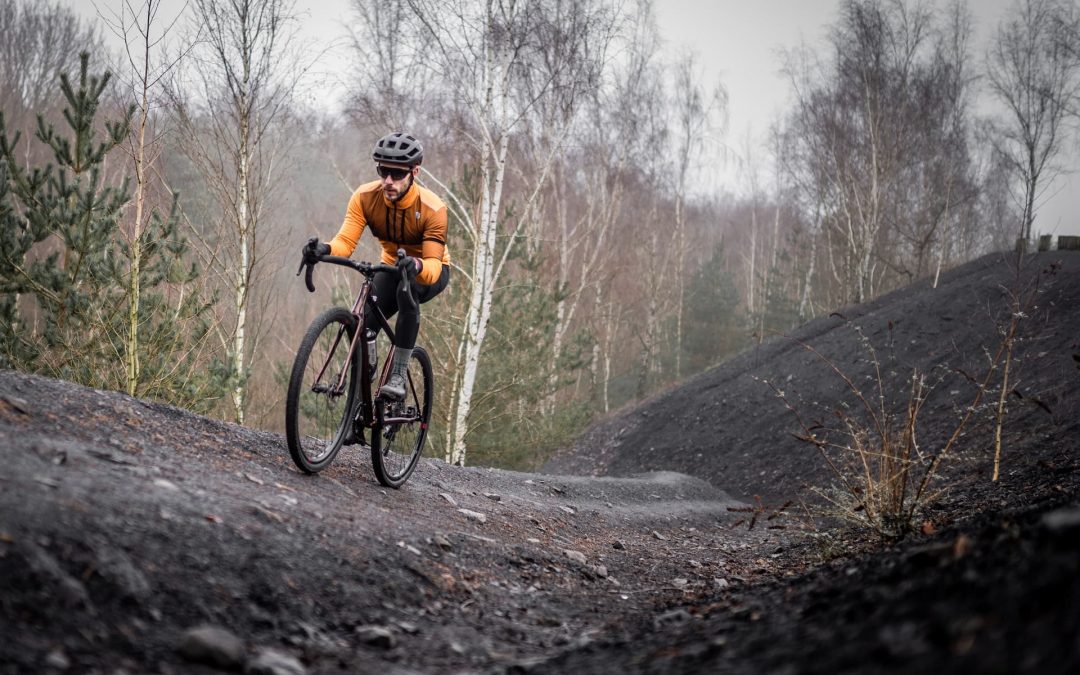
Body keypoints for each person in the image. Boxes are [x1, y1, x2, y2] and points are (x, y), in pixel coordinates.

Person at [302, 131, 450, 400]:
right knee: (364, 326)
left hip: (427, 270)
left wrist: (415, 265)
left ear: (415, 171)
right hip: (390, 266)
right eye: (383, 171)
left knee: (408, 293)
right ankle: (357, 411)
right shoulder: (365, 197)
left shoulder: (432, 208)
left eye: (396, 173)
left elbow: (433, 267)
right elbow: (346, 241)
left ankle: (398, 374)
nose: (388, 181)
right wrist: (323, 249)